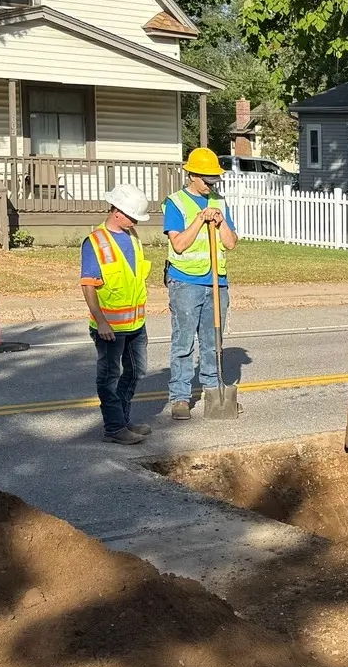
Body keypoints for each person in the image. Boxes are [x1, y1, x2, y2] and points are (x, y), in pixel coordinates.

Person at [163, 146, 239, 420]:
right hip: (185, 283)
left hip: (216, 283)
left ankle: (213, 393)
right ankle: (180, 397)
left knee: (212, 341)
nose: (211, 184)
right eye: (207, 179)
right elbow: (179, 244)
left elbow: (230, 244)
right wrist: (198, 220)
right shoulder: (175, 203)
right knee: (183, 343)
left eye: (215, 179)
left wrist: (221, 224)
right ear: (191, 175)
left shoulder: (219, 202)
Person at [80, 185, 153, 445]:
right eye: (133, 216)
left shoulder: (132, 236)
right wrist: (100, 321)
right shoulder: (96, 242)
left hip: (135, 323)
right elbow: (88, 284)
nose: (135, 222)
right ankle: (114, 427)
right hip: (109, 326)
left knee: (136, 372)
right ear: (117, 211)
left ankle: (122, 419)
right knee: (110, 377)